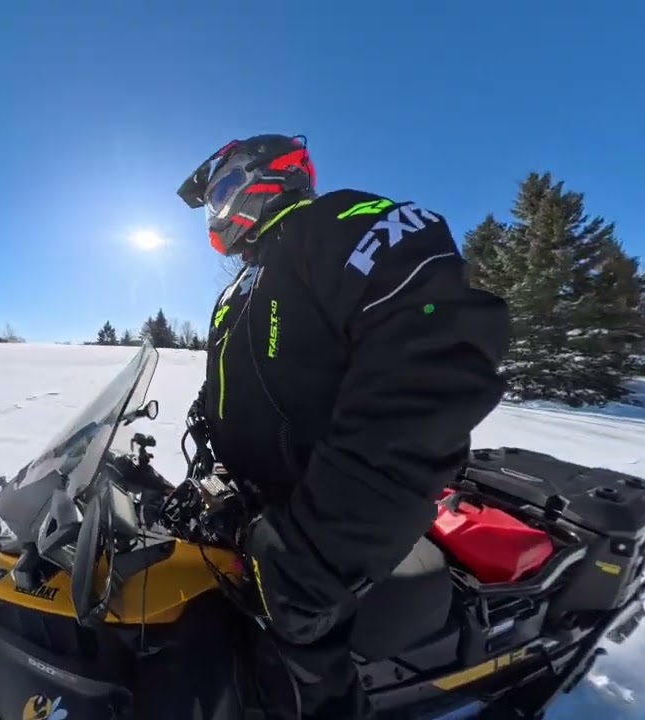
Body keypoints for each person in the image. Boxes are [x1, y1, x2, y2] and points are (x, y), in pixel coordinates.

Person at [176, 134, 511, 719]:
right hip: (256, 515)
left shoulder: (342, 224)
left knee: (299, 683)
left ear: (275, 176)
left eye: (224, 191)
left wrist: (321, 550)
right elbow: (244, 387)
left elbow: (430, 370)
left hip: (322, 525)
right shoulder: (240, 290)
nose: (218, 212)